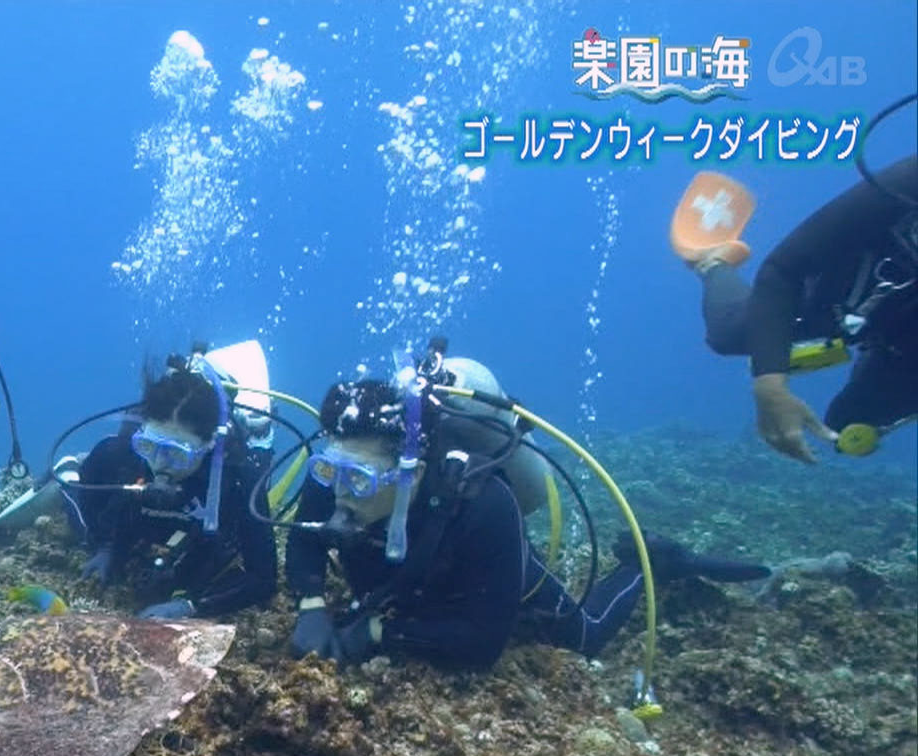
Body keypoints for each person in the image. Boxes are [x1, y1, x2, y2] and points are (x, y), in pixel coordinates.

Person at [285, 377, 768, 670]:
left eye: (361, 478)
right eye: (331, 470)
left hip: (467, 577)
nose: (341, 489)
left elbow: (482, 645)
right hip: (400, 579)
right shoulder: (335, 474)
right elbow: (305, 541)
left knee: (586, 637)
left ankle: (652, 561)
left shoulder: (483, 505)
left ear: (413, 471)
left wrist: (377, 635)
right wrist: (310, 605)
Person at [671, 155, 917, 462]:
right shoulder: (909, 180)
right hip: (853, 302)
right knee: (729, 333)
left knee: (847, 426)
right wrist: (770, 383)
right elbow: (783, 270)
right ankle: (713, 262)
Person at [69, 358, 277, 620]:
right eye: (149, 447)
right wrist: (106, 546)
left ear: (209, 444)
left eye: (177, 454)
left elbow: (263, 578)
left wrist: (193, 606)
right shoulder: (115, 455)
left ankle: (262, 433)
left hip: (206, 534)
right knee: (81, 518)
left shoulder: (238, 479)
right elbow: (93, 498)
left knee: (208, 565)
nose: (159, 463)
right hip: (142, 521)